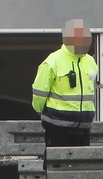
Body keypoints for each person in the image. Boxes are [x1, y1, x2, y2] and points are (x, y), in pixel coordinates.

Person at [32, 19, 98, 147]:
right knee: (57, 165)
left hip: (84, 128)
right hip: (58, 128)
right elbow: (39, 96)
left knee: (82, 166)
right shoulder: (52, 62)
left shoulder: (91, 62)